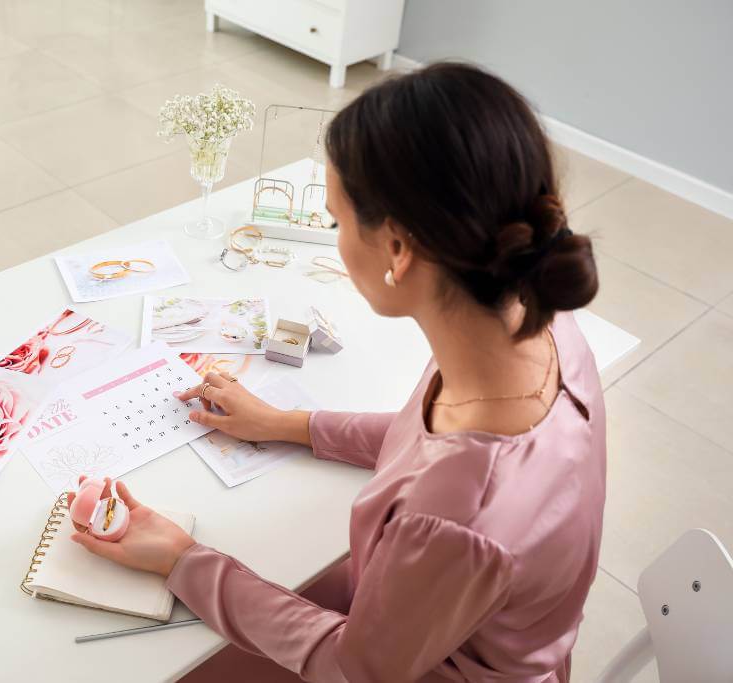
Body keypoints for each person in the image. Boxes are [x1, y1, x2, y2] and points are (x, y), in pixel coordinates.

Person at [68, 62, 604, 682]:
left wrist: (183, 560)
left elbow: (357, 669)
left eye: (334, 220)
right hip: (445, 621)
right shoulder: (536, 325)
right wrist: (290, 424)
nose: (334, 237)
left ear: (398, 250)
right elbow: (426, 442)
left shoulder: (456, 513)